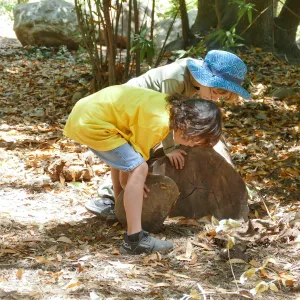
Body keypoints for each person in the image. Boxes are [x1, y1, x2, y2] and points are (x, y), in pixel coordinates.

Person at [85, 50, 250, 219]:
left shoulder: (195, 79)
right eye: (215, 92)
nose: (215, 99)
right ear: (205, 78)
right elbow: (165, 116)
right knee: (132, 154)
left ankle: (119, 196)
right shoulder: (175, 80)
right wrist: (169, 148)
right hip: (124, 113)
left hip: (142, 116)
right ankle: (107, 197)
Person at [64, 85, 222, 254]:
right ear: (189, 124)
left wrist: (129, 186)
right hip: (92, 122)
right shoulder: (158, 123)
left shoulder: (168, 109)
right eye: (195, 140)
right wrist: (132, 183)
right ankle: (134, 240)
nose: (191, 145)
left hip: (87, 114)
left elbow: (128, 154)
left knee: (131, 161)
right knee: (140, 168)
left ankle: (120, 210)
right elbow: (134, 166)